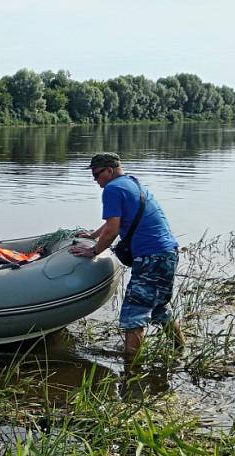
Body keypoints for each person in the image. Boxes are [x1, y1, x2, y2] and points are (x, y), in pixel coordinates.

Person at [69, 152, 185, 357]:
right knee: (159, 310)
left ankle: (132, 370)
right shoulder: (131, 183)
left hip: (151, 257)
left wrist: (93, 251)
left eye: (96, 175)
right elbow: (119, 219)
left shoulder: (112, 189)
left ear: (109, 170)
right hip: (167, 254)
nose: (94, 180)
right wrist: (94, 235)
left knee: (134, 315)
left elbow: (113, 230)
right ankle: (180, 351)